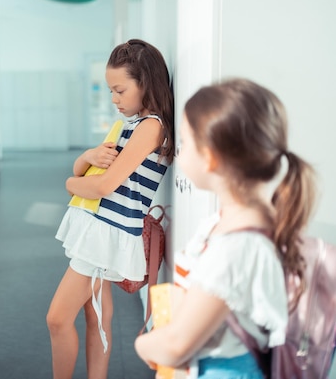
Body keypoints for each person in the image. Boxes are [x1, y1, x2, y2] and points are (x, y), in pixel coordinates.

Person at [134, 78, 316, 378]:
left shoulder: (238, 245)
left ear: (211, 158)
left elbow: (176, 345)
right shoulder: (236, 222)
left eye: (185, 143)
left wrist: (144, 345)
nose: (180, 152)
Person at [46, 39, 175, 379]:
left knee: (57, 319)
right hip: (101, 227)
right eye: (111, 92)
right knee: (96, 317)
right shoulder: (131, 124)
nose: (114, 100)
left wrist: (68, 185)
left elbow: (102, 185)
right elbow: (85, 169)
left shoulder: (151, 126)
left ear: (145, 83)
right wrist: (87, 157)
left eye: (120, 91)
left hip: (106, 232)